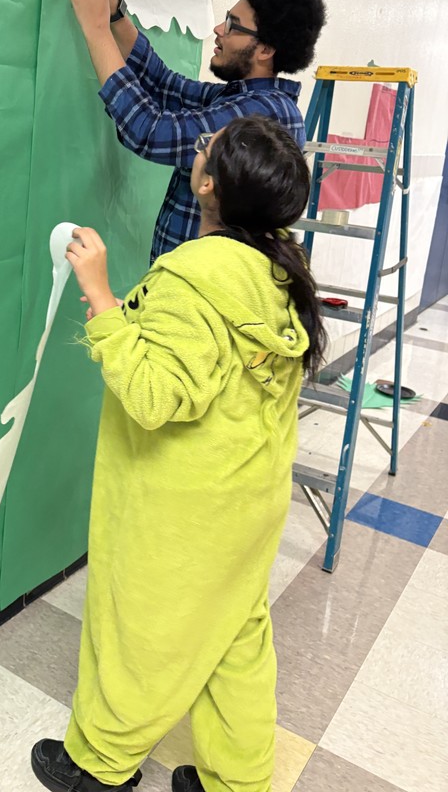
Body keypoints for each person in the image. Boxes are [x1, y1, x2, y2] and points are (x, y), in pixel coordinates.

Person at [30, 115, 328, 792]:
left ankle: (97, 769)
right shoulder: (279, 270)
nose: (198, 150)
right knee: (234, 641)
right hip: (249, 504)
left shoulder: (193, 279)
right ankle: (237, 781)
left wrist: (102, 295)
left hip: (184, 509)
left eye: (206, 149)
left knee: (140, 628)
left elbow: (156, 395)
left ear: (208, 184)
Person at [69, 0, 327, 264]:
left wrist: (96, 31)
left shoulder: (263, 116)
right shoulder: (243, 98)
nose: (219, 30)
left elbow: (148, 132)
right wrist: (114, 15)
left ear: (265, 50)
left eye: (233, 24)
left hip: (200, 296)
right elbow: (165, 84)